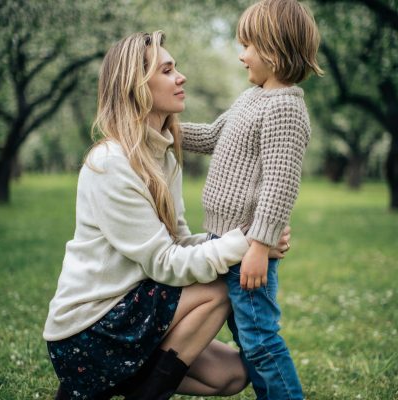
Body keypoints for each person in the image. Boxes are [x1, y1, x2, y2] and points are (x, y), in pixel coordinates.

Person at [43, 31, 291, 400]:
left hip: (133, 310)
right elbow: (165, 263)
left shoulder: (162, 156)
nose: (181, 77)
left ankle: (111, 381)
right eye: (167, 70)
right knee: (219, 286)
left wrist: (251, 240)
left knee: (231, 375)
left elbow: (177, 241)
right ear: (137, 86)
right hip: (89, 329)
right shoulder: (111, 163)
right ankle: (119, 384)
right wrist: (246, 245)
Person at [181, 1, 323, 399]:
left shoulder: (285, 107)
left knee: (260, 340)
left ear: (274, 51)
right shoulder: (251, 99)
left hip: (246, 247)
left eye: (248, 46)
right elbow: (212, 136)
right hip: (222, 242)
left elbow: (280, 184)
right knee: (248, 337)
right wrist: (163, 128)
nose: (241, 55)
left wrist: (259, 246)